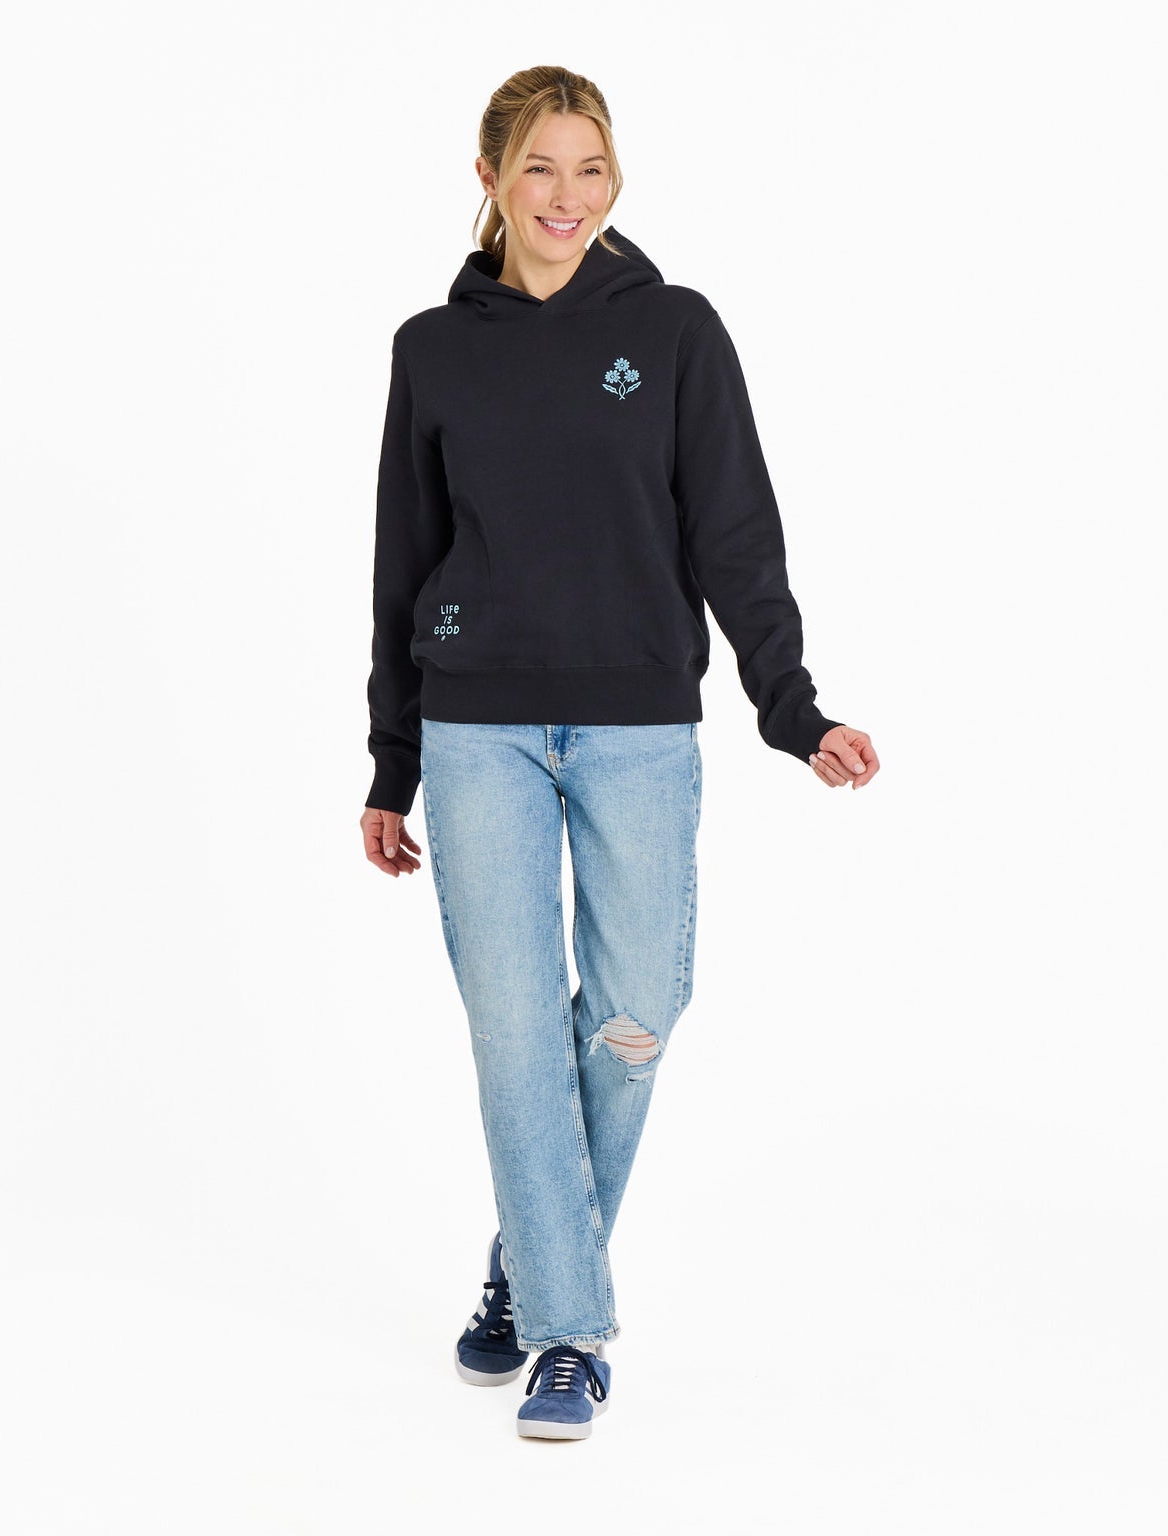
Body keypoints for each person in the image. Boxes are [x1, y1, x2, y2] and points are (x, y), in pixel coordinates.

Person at [360, 65, 879, 1441]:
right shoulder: (433, 348)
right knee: (516, 1027)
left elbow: (735, 531)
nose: (567, 196)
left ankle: (530, 1256)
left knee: (639, 1010)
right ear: (490, 178)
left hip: (640, 725)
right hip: (474, 725)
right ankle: (568, 1332)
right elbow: (404, 557)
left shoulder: (677, 330)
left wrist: (792, 706)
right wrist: (390, 760)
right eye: (539, 167)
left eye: (591, 168)